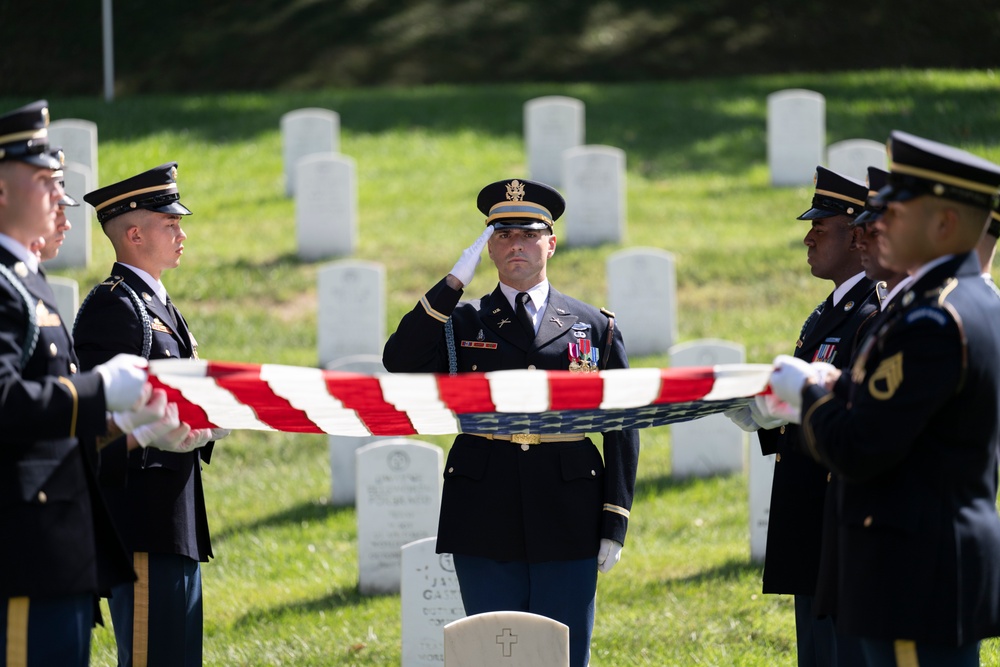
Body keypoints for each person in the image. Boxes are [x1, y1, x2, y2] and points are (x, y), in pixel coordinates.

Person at [382, 178, 639, 667]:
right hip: (484, 508)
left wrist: (614, 519)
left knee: (562, 653)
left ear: (551, 242)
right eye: (502, 235)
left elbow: (622, 423)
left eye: (528, 233)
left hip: (569, 510)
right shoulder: (462, 321)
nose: (515, 244)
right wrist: (452, 283)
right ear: (488, 246)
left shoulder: (595, 325)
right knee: (490, 655)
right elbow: (400, 358)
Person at [768, 130, 1000, 666]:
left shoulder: (932, 317)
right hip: (926, 560)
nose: (876, 225)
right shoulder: (957, 300)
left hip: (915, 569)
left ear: (943, 224)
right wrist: (843, 386)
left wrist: (809, 394)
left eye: (897, 211)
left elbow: (859, 445)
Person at [0, 100, 169, 665]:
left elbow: (47, 420)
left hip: (58, 548)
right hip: (22, 547)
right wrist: (100, 392)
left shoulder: (28, 283)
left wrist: (121, 426)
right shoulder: (5, 286)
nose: (57, 191)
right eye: (42, 178)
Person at [74, 162, 228, 667]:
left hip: (174, 520)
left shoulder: (157, 305)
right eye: (171, 224)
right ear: (135, 233)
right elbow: (99, 426)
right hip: (139, 519)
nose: (182, 233)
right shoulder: (113, 307)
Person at [729, 166, 877, 667]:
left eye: (822, 226)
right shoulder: (826, 313)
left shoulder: (871, 315)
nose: (808, 238)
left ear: (858, 234)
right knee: (816, 650)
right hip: (809, 509)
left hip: (838, 510)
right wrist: (763, 413)